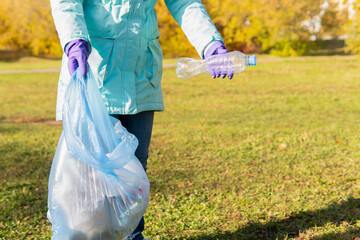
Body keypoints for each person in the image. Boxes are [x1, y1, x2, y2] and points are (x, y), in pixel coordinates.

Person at [50, 0, 233, 239]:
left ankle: (132, 236)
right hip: (93, 75)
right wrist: (74, 39)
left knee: (135, 173)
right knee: (91, 177)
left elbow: (185, 2)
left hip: (140, 77)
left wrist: (210, 43)